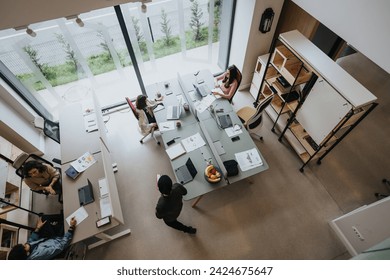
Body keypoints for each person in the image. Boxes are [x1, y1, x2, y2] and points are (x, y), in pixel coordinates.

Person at [7, 217, 77, 260]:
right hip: (59, 241)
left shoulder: (26, 252)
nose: (26, 244)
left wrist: (38, 228)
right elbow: (61, 246)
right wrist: (71, 228)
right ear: (26, 254)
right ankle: (67, 222)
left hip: (47, 240)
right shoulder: (40, 254)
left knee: (44, 218)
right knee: (61, 226)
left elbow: (31, 240)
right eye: (25, 246)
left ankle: (63, 218)